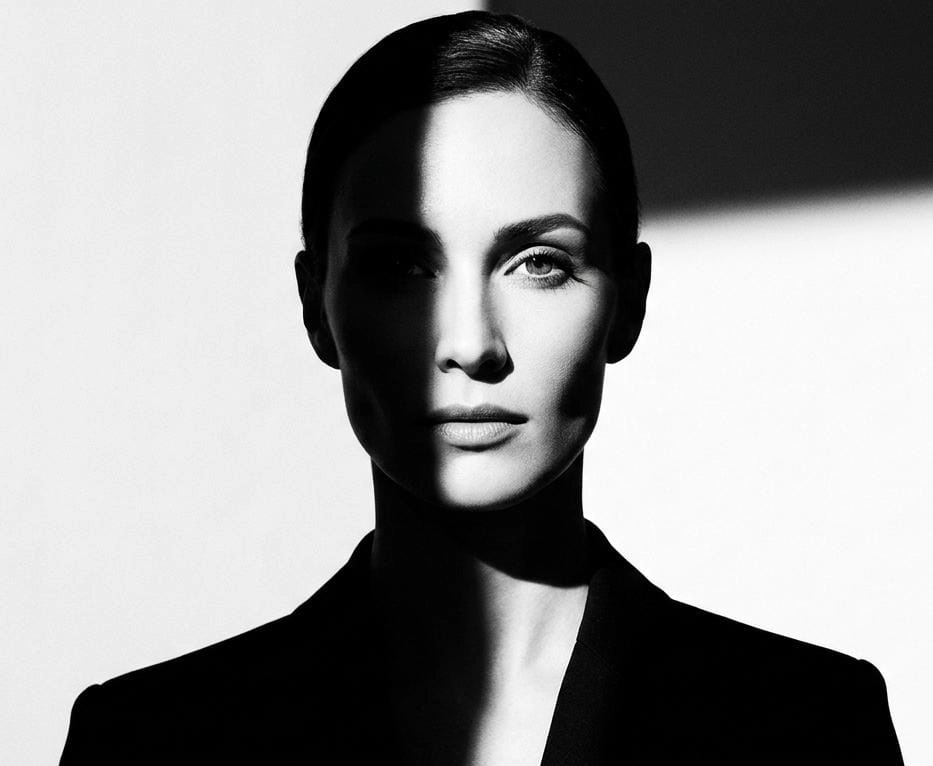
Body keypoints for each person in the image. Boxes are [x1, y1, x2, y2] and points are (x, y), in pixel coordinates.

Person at [60, 11, 902, 765]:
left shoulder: (807, 728)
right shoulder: (151, 740)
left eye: (539, 264)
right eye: (399, 267)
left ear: (628, 303)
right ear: (317, 308)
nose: (469, 344)